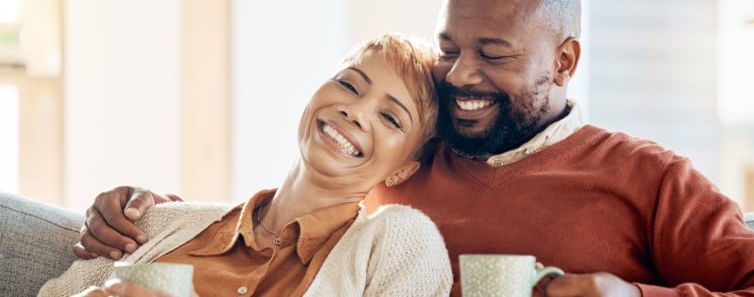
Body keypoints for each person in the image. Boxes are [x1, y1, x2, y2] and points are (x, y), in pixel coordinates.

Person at [75, 0, 754, 297]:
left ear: (565, 60)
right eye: (451, 48)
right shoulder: (412, 155)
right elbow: (293, 224)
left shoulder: (647, 177)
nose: (459, 76)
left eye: (494, 55)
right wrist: (148, 215)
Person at [40, 33, 452, 296]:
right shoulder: (158, 223)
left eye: (391, 117)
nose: (356, 111)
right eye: (348, 84)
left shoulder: (398, 241)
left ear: (403, 170)